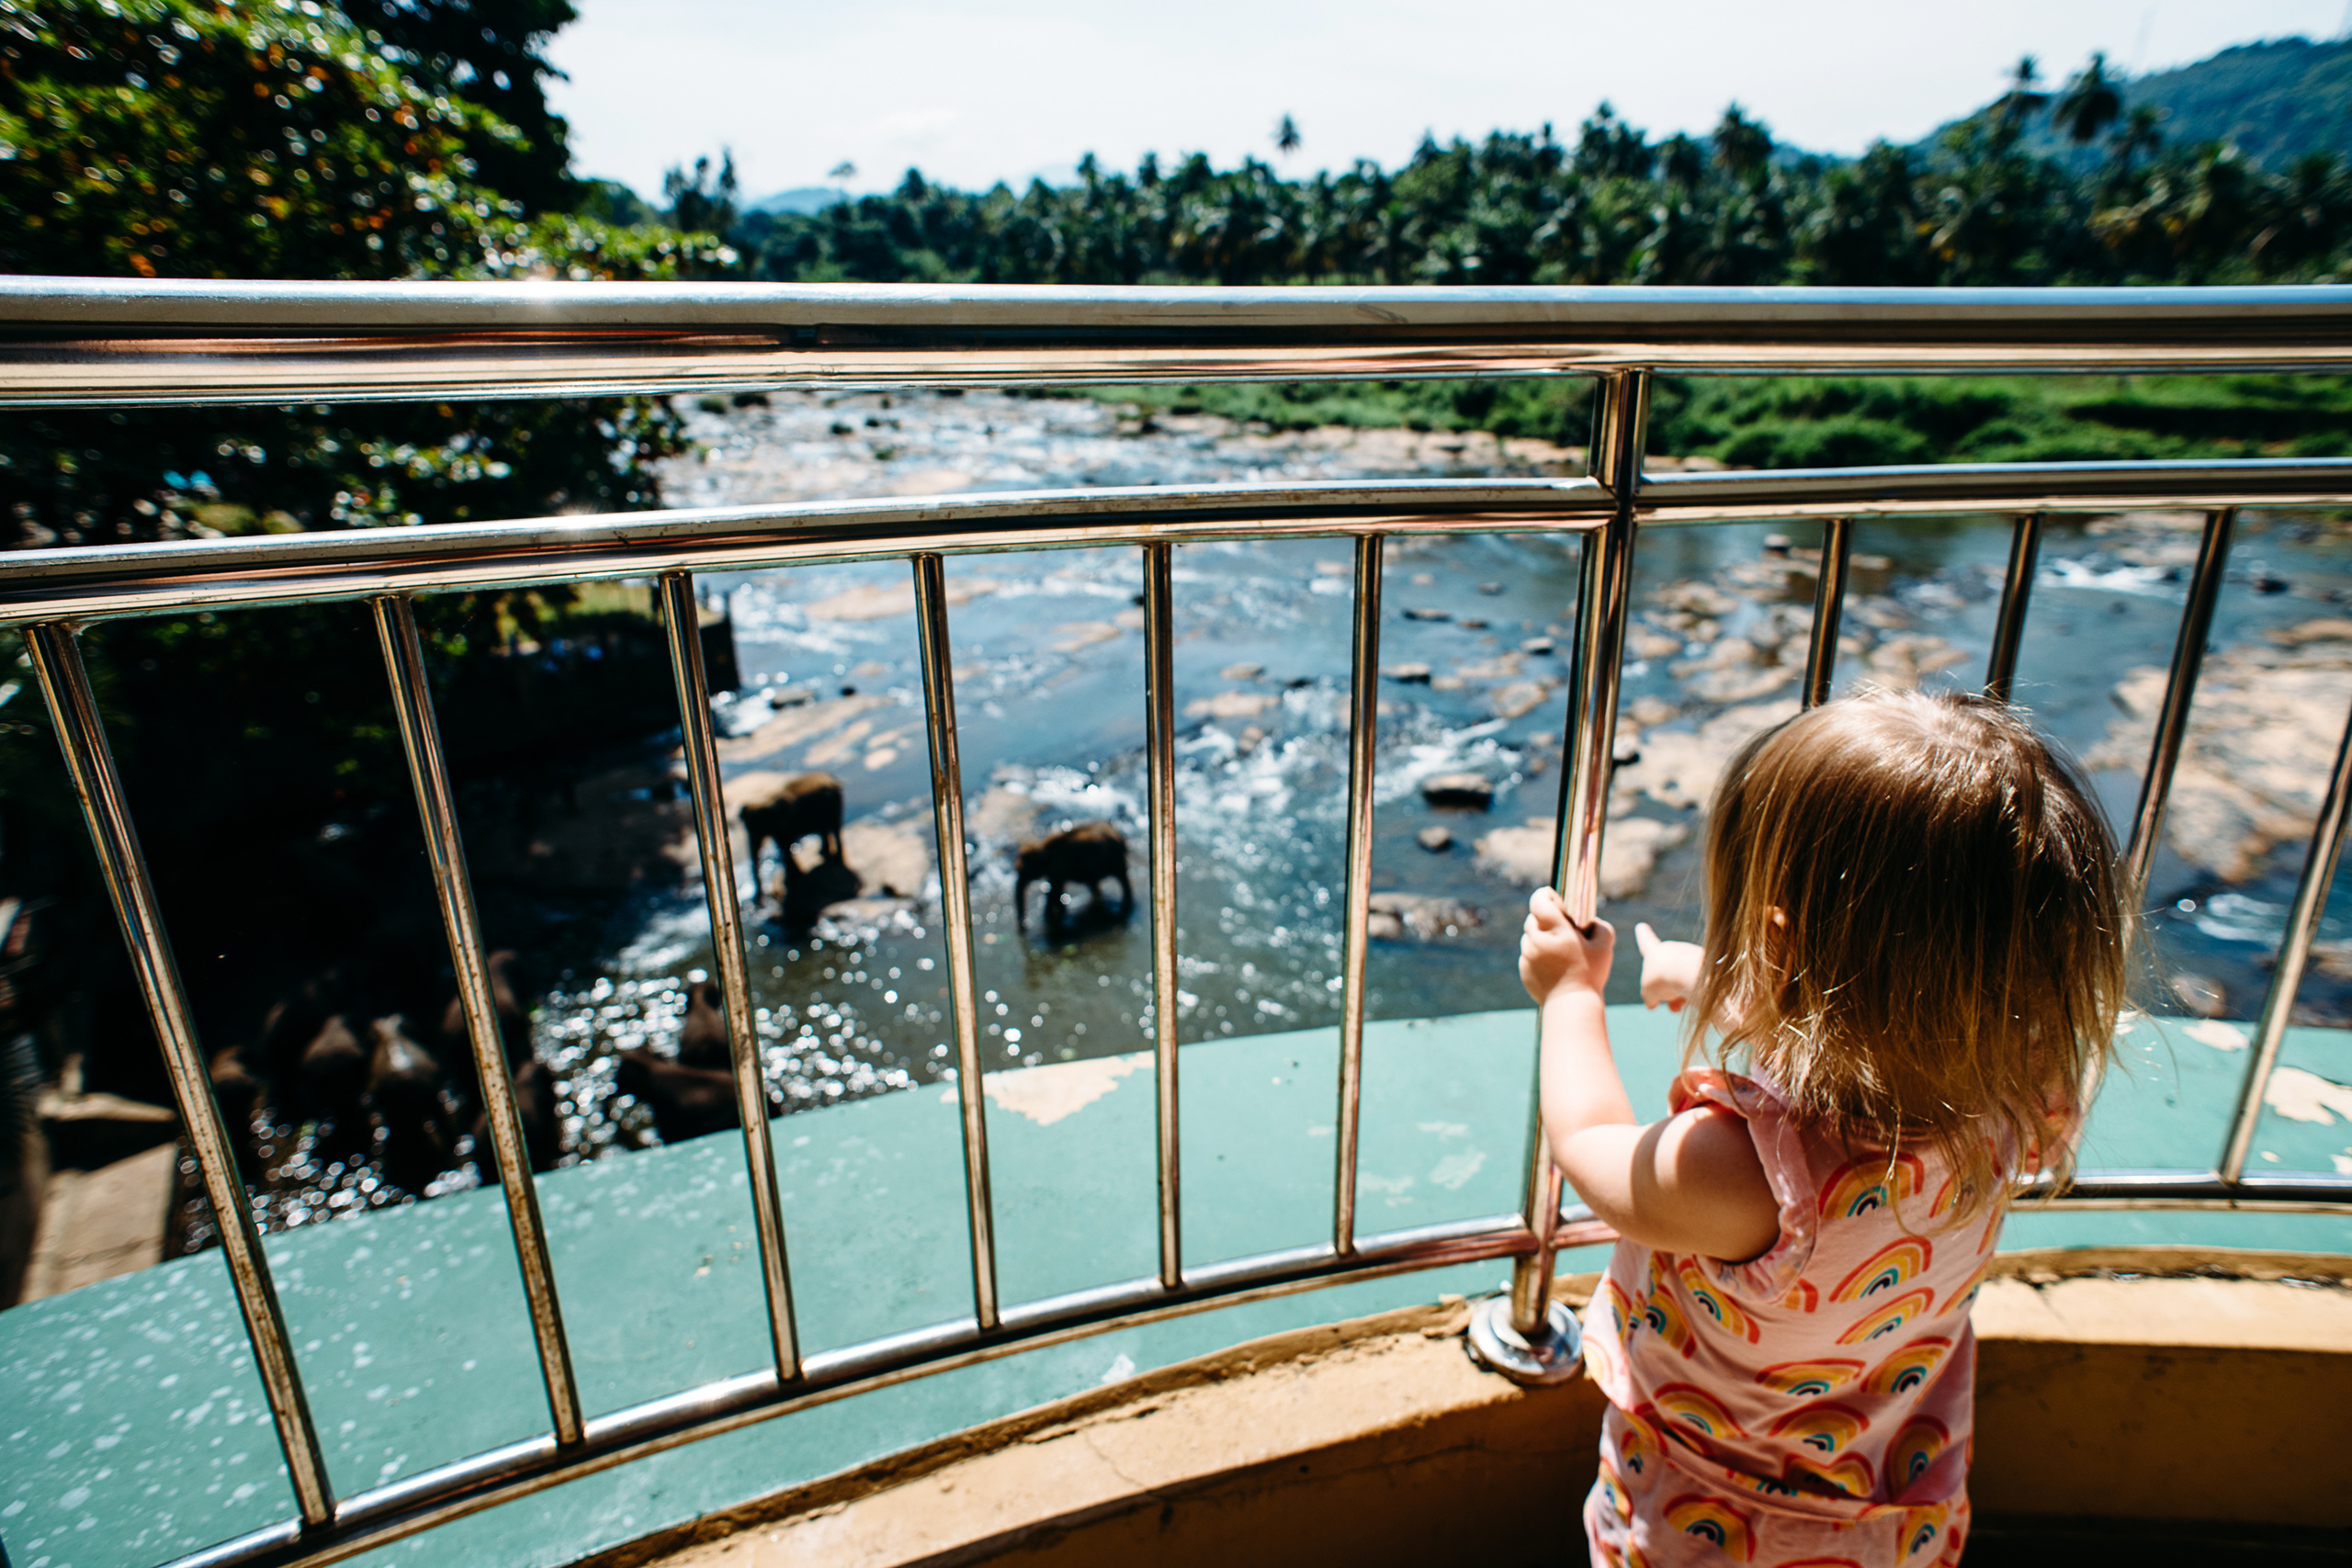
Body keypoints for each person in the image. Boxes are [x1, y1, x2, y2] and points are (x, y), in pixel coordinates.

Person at [1518, 688, 2129, 1567]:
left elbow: (1590, 1147)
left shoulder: (1744, 1171)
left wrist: (1571, 994)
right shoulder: (2023, 1087)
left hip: (1708, 1523)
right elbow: (1895, 1018)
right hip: (1892, 1505)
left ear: (1778, 943)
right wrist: (1734, 987)